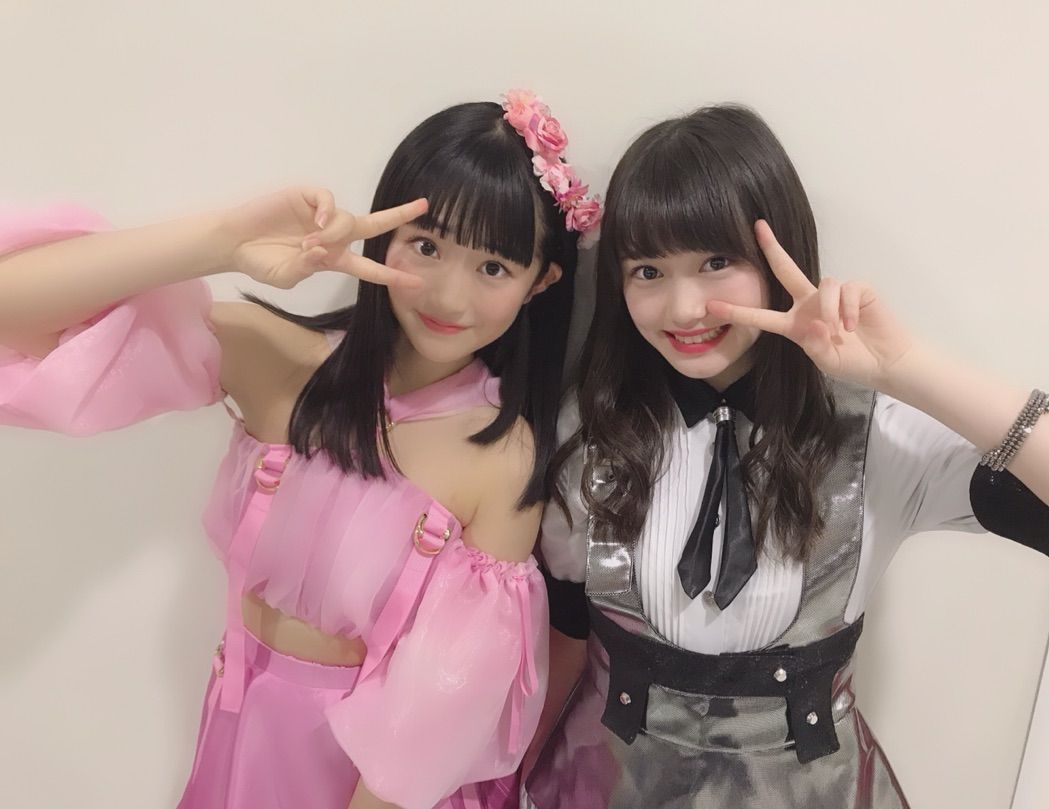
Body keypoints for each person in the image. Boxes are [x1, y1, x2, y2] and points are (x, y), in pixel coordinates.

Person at [0, 91, 600, 809]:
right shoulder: (279, 364)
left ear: (541, 283)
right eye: (428, 245)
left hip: (361, 783)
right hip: (235, 735)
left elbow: (432, 723)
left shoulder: (500, 457)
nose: (449, 294)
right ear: (383, 233)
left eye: (493, 267)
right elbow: (15, 312)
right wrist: (223, 240)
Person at [525, 104, 1049, 809]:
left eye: (717, 262)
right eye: (648, 271)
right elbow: (562, 635)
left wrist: (907, 367)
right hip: (605, 787)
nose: (685, 308)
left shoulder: (874, 431)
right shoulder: (589, 431)